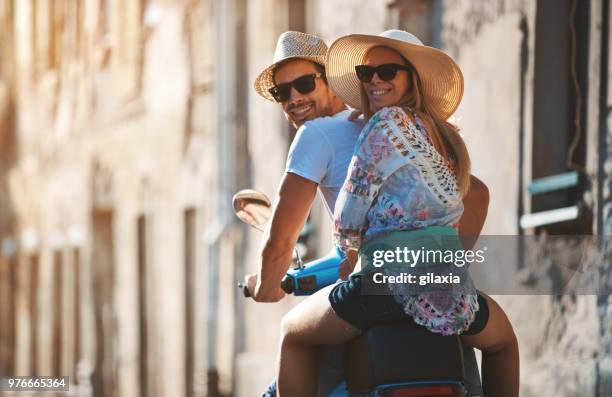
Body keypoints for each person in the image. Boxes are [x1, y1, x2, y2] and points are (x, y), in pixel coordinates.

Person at [275, 30, 519, 397]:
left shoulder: (384, 125)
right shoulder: (443, 136)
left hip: (384, 287)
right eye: (366, 73)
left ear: (411, 77)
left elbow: (347, 210)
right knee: (504, 343)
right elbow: (477, 194)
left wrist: (349, 256)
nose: (375, 80)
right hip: (448, 290)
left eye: (387, 71)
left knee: (292, 334)